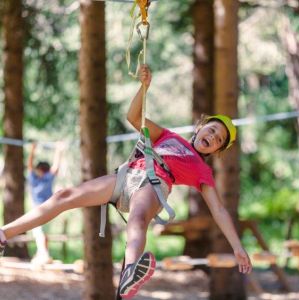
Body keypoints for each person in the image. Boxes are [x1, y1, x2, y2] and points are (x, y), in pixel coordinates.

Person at [0, 65, 252, 299]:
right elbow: (134, 117)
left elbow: (218, 210)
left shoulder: (202, 171)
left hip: (155, 184)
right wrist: (144, 87)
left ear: (217, 150)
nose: (212, 136)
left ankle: (129, 272)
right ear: (200, 127)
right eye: (211, 129)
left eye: (218, 139)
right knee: (65, 196)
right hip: (126, 176)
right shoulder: (167, 135)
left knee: (138, 218)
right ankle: (4, 233)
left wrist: (237, 246)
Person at [27, 142, 62, 265]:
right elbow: (55, 167)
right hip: (48, 209)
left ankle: (44, 254)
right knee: (43, 233)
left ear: (40, 170)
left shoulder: (36, 179)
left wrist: (33, 149)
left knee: (39, 234)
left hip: (39, 210)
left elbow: (30, 166)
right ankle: (42, 253)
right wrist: (58, 150)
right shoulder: (43, 178)